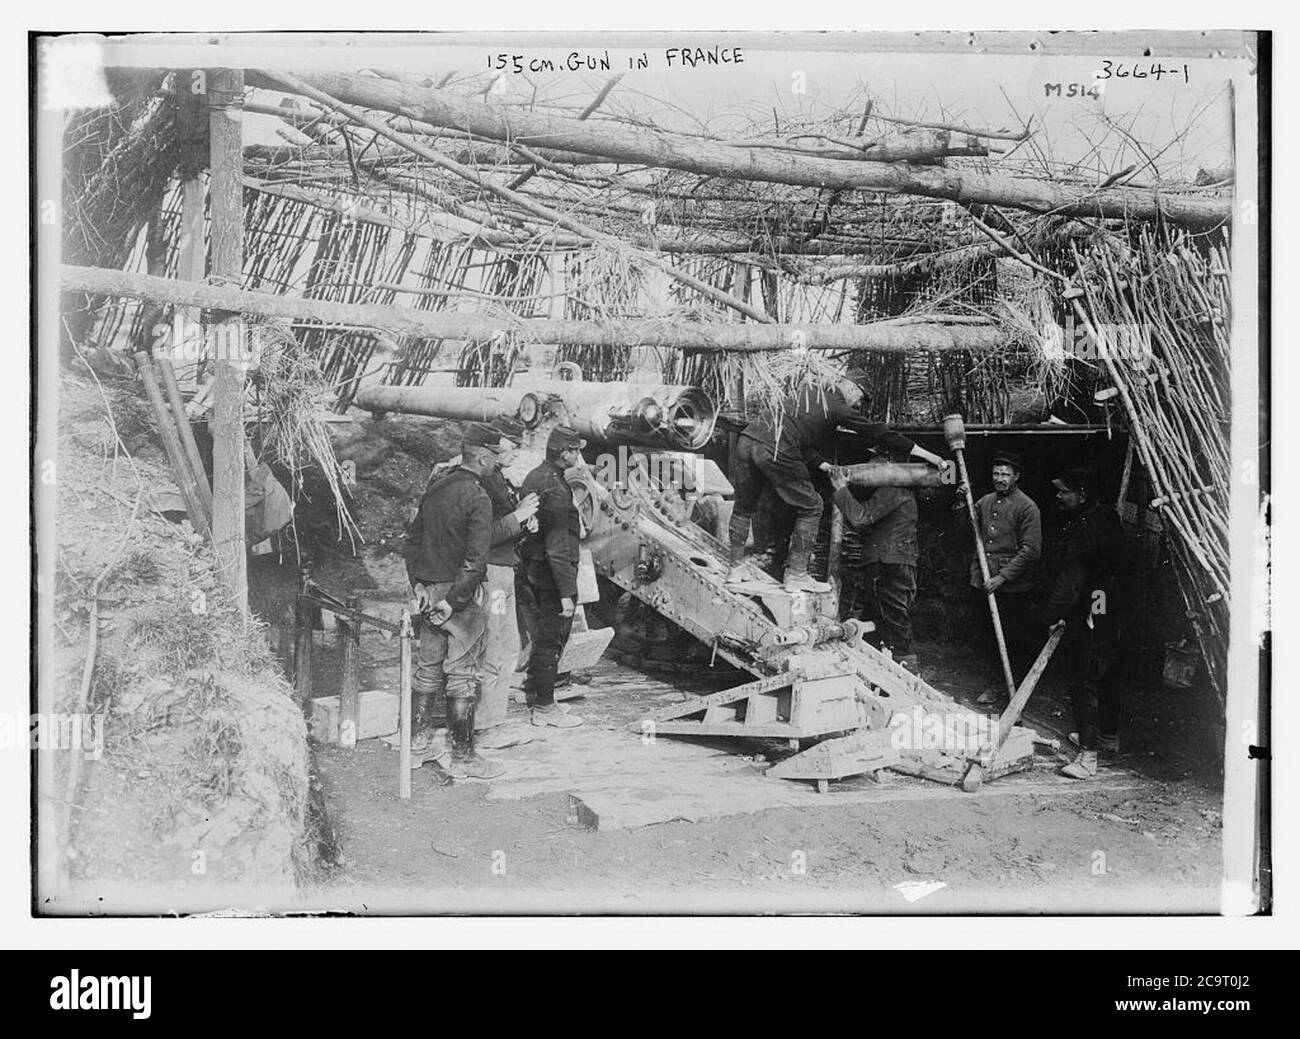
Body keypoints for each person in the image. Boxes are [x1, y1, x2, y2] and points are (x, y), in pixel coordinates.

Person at [727, 369, 945, 593]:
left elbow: (798, 438)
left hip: (748, 439)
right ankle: (796, 575)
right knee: (812, 506)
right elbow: (878, 432)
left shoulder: (810, 392)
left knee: (744, 506)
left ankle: (735, 569)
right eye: (859, 399)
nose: (857, 405)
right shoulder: (838, 406)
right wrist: (929, 456)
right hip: (775, 449)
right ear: (851, 387)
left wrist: (825, 466)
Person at [404, 422, 507, 780]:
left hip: (429, 592)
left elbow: (412, 541)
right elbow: (476, 561)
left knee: (428, 668)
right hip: (457, 599)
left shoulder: (436, 488)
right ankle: (464, 758)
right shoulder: (478, 497)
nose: (498, 463)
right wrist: (457, 599)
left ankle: (416, 746)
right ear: (481, 455)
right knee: (463, 674)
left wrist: (418, 584)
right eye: (495, 455)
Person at [1041, 466, 1127, 780]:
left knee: (1083, 677)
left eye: (1064, 492)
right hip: (1107, 602)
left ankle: (1088, 757)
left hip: (1092, 604)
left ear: (1081, 494)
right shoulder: (1107, 517)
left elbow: (1071, 583)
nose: (1059, 497)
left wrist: (1054, 615)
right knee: (1106, 670)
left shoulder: (1081, 529)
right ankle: (1107, 737)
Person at [474, 413, 541, 750]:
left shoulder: (497, 478)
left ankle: (494, 721)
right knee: (496, 645)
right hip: (494, 576)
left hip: (504, 571)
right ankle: (486, 727)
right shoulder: (483, 484)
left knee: (508, 645)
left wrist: (521, 524)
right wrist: (518, 517)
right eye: (511, 446)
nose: (516, 452)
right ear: (492, 450)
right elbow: (483, 537)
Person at [517, 425, 586, 728]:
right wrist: (567, 593)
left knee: (540, 637)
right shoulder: (557, 491)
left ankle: (535, 692)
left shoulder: (535, 477)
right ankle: (545, 708)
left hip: (532, 570)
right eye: (575, 450)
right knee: (552, 639)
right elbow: (558, 549)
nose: (578, 455)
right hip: (551, 577)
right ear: (564, 453)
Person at [827, 455, 919, 671]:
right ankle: (884, 671)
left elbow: (859, 517)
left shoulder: (891, 491)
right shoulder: (902, 493)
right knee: (885, 620)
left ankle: (908, 675)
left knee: (895, 622)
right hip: (896, 561)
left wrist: (840, 489)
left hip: (886, 563)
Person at [965, 451, 1042, 704]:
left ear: (1016, 477)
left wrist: (1003, 578)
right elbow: (967, 528)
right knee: (989, 638)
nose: (1000, 479)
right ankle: (997, 683)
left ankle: (1010, 687)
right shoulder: (984, 502)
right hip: (985, 582)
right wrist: (960, 504)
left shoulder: (1027, 507)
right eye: (996, 473)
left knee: (1012, 639)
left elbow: (1031, 551)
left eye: (1005, 475)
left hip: (1013, 587)